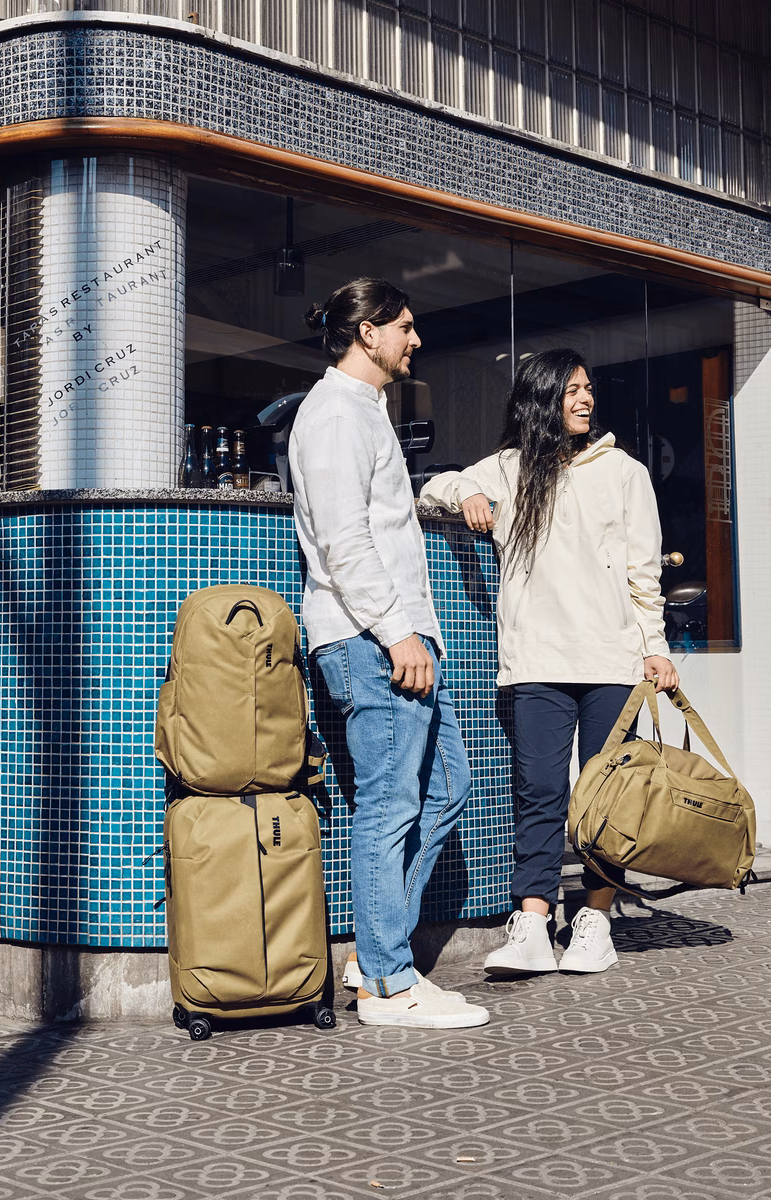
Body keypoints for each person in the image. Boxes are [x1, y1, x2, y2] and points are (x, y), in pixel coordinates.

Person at [421, 348, 678, 975]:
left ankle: (594, 919)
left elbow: (645, 574)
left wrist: (656, 649)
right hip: (535, 660)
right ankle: (533, 921)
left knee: (605, 796)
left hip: (612, 663)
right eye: (571, 390)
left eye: (588, 387)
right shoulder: (509, 469)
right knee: (537, 791)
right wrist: (470, 492)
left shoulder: (624, 472)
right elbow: (430, 488)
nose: (585, 399)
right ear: (542, 400)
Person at [289, 277, 489, 1029]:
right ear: (367, 333)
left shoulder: (365, 413)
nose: (414, 338)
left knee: (444, 791)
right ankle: (388, 978)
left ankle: (375, 954)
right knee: (389, 805)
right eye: (404, 326)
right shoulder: (334, 414)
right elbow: (344, 542)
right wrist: (397, 632)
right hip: (372, 642)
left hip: (397, 639)